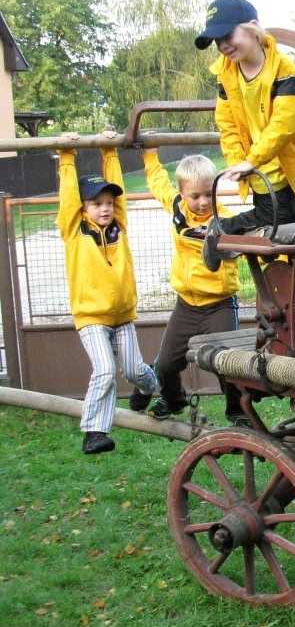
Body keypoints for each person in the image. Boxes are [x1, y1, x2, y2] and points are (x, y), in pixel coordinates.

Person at [195, 0, 295, 270]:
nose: (223, 45)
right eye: (217, 41)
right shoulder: (226, 76)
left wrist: (251, 159)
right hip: (262, 171)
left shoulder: (284, 70)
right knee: (272, 232)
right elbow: (227, 124)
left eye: (227, 35)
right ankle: (223, 230)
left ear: (253, 28)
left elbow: (285, 124)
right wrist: (238, 162)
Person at [56, 137, 159, 455]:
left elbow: (120, 195)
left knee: (135, 371)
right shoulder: (75, 231)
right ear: (83, 208)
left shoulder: (119, 227)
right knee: (104, 370)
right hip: (91, 317)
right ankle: (94, 431)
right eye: (96, 204)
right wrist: (66, 156)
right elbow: (67, 198)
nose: (105, 209)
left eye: (108, 203)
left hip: (123, 315)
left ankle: (149, 387)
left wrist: (110, 151)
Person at [142, 149, 247, 425]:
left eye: (209, 194)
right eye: (195, 196)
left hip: (219, 305)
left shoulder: (226, 221)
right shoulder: (178, 209)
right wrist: (149, 154)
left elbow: (252, 247)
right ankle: (174, 399)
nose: (203, 202)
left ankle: (238, 412)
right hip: (186, 305)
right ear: (182, 193)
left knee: (226, 363)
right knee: (166, 363)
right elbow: (158, 184)